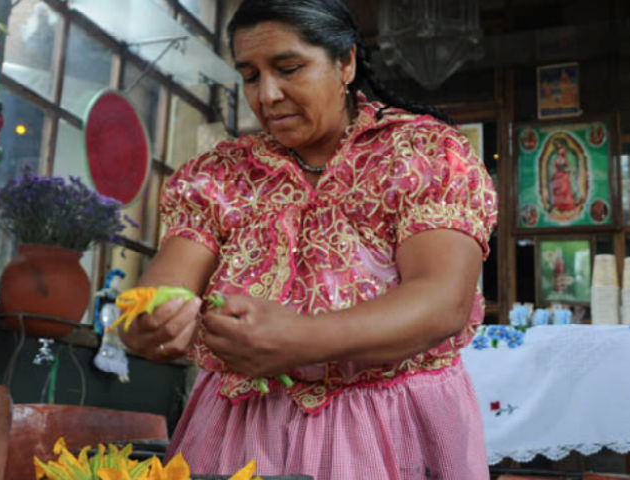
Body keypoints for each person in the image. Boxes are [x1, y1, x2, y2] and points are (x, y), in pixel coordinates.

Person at [118, 1, 498, 478]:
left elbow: (442, 301)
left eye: (289, 68)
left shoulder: (422, 153)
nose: (268, 95)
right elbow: (164, 286)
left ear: (346, 63)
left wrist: (299, 337)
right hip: (243, 432)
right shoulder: (220, 174)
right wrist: (148, 321)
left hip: (391, 425)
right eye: (251, 75)